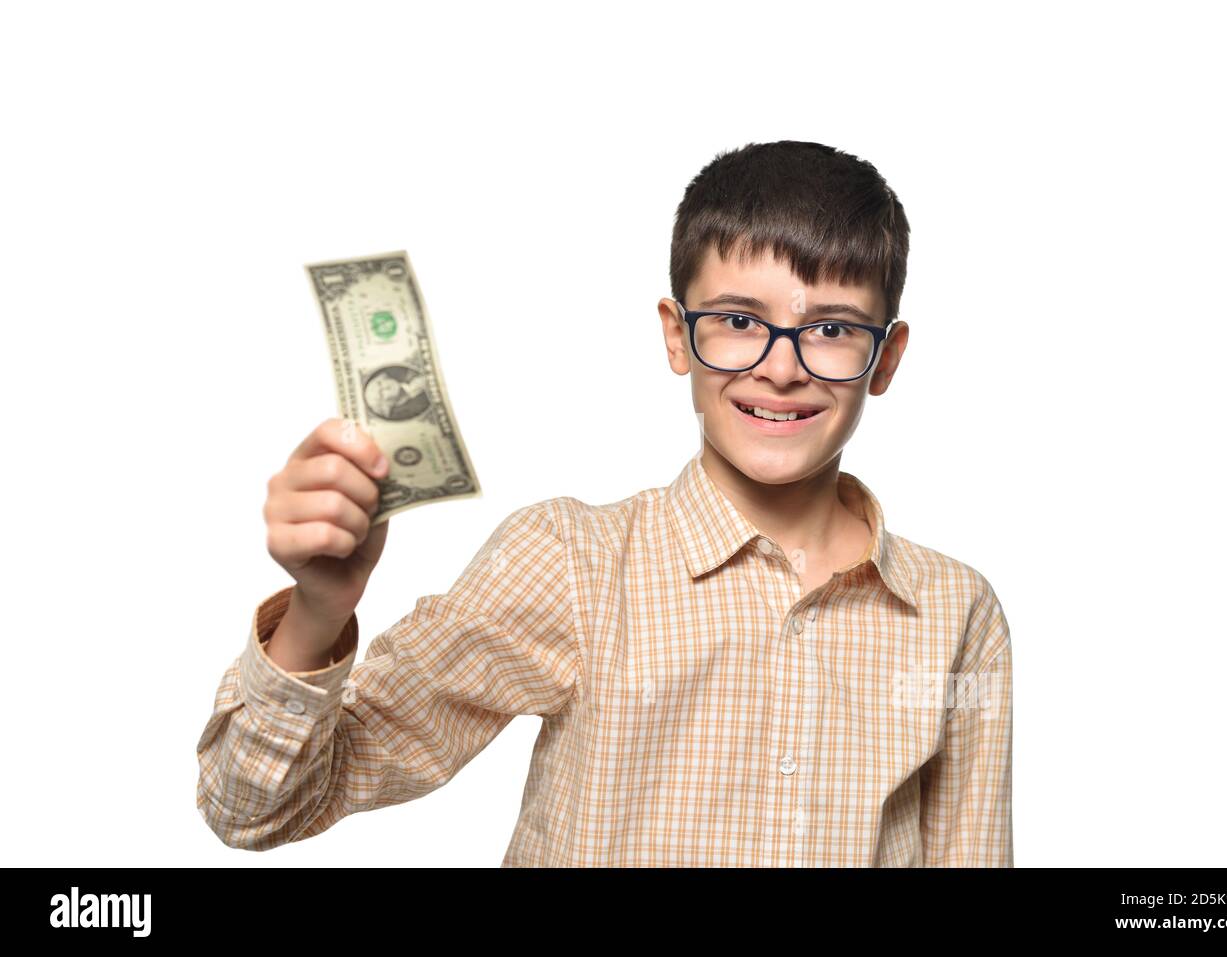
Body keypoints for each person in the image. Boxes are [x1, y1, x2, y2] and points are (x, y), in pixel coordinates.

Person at [195, 140, 1013, 866]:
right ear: (674, 333)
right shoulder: (572, 562)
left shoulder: (955, 612)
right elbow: (254, 810)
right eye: (736, 320)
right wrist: (317, 608)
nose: (782, 367)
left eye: (832, 329)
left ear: (887, 356)